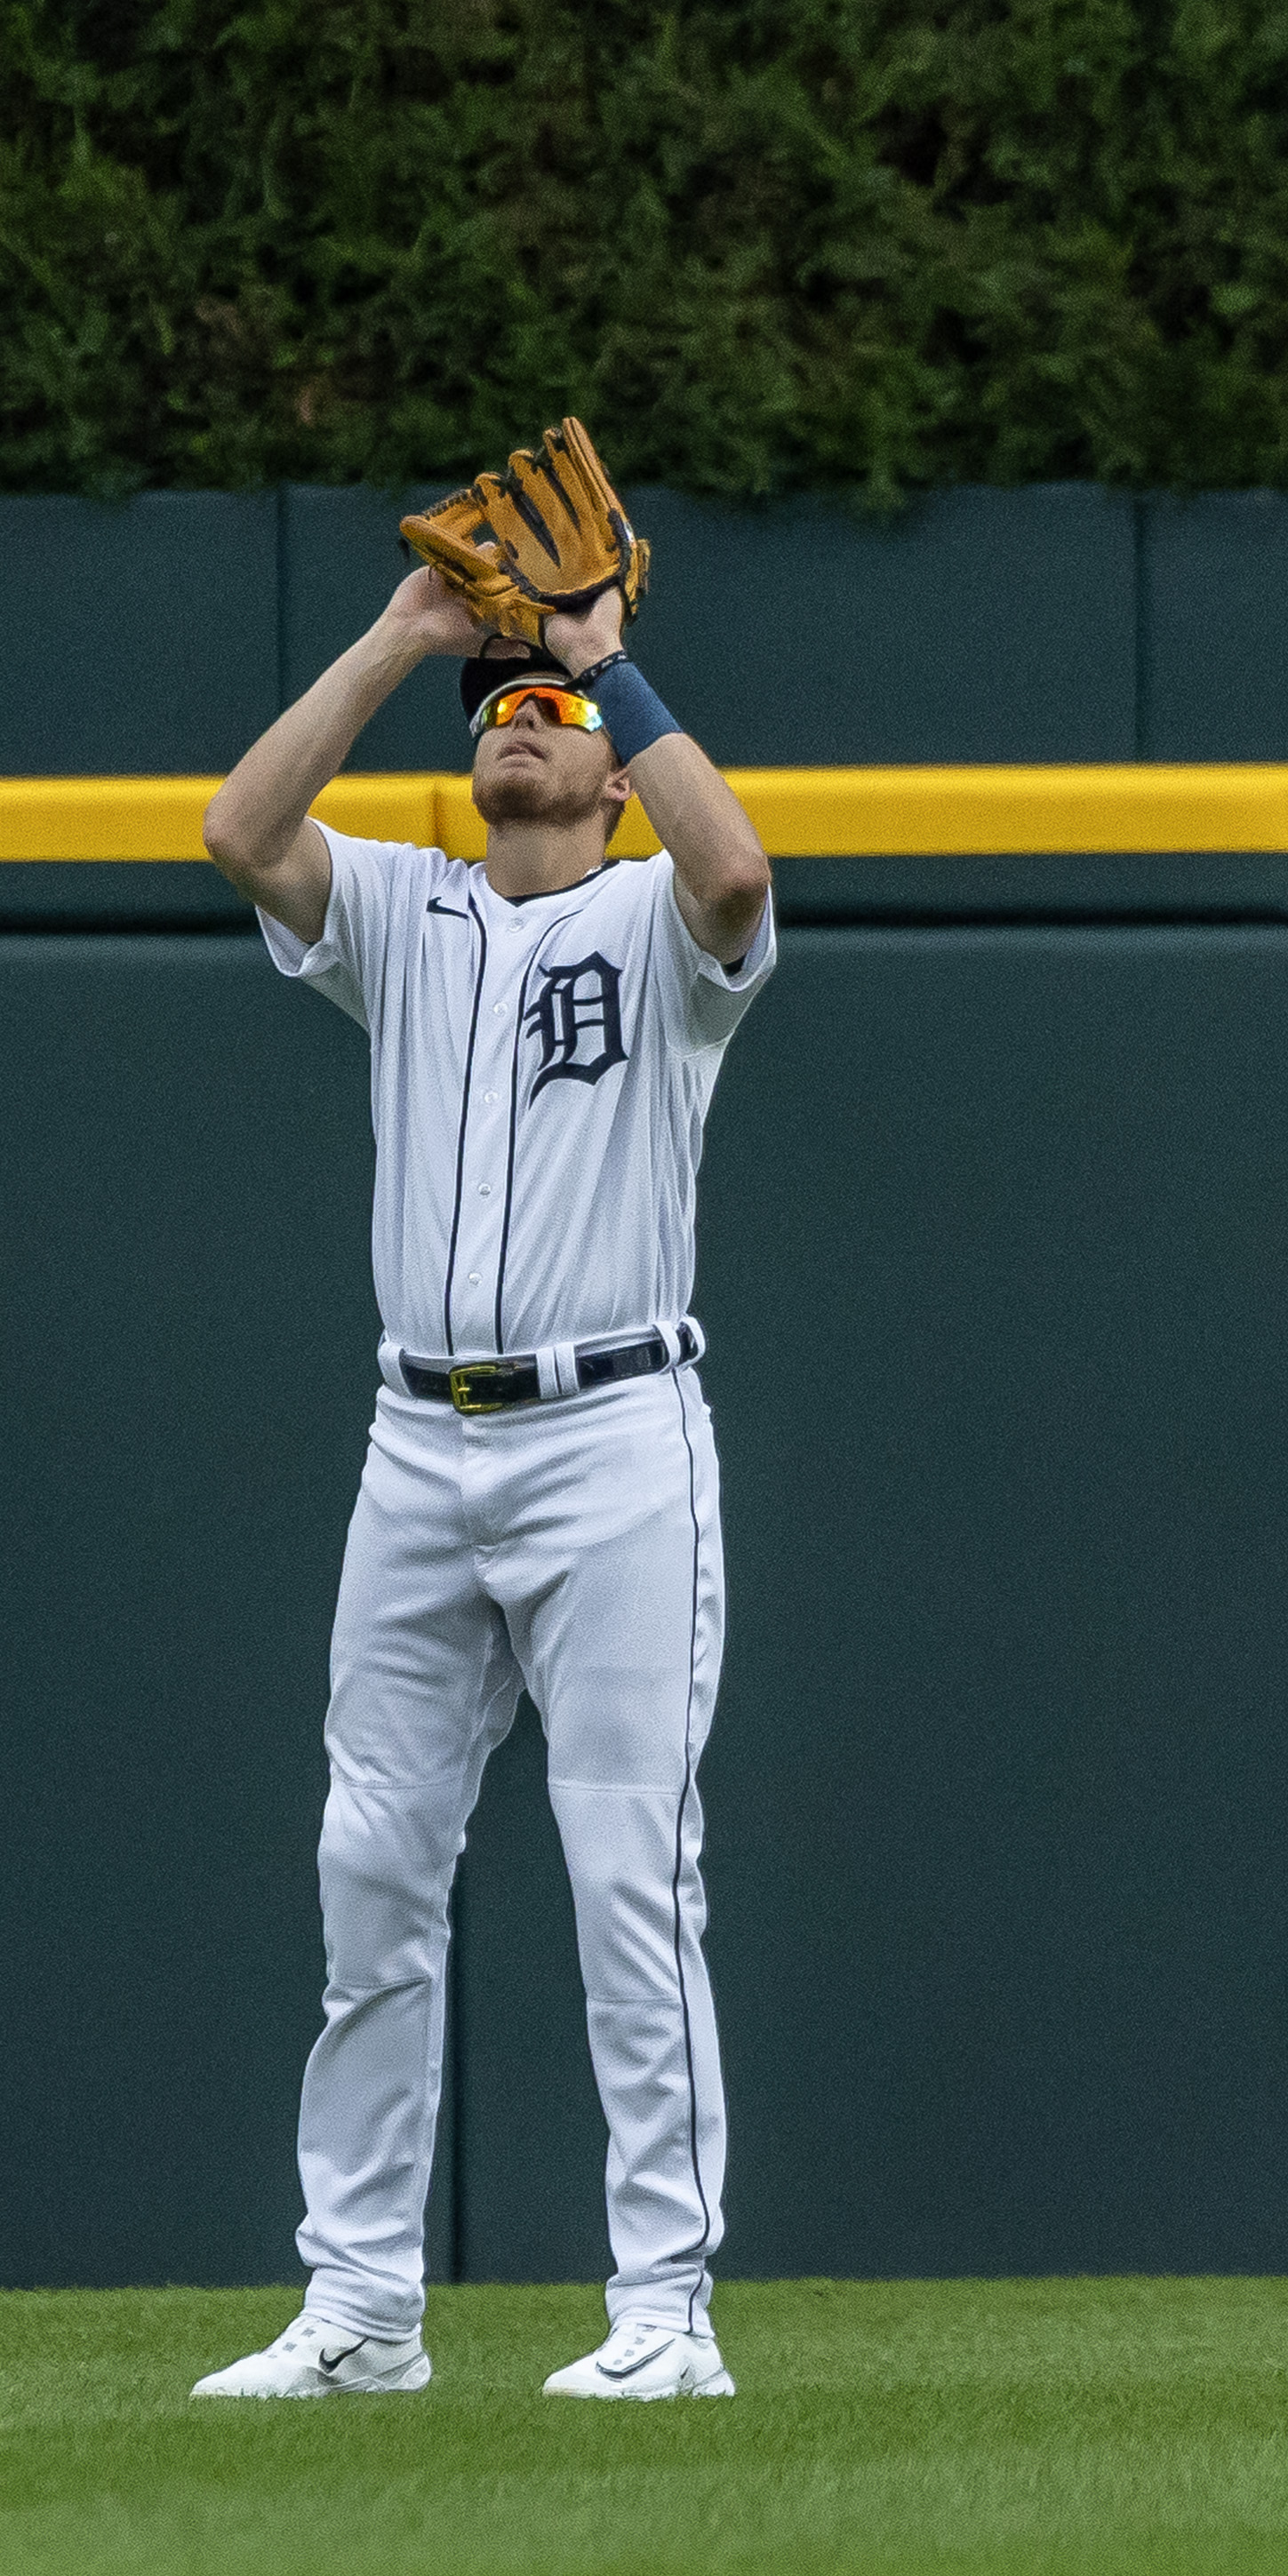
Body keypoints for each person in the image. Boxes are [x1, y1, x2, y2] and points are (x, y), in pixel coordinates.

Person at [194, 556, 775, 2402]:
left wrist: (620, 666)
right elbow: (238, 824)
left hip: (613, 1442)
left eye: (555, 718)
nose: (521, 725)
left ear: (608, 775)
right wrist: (403, 641)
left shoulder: (656, 930)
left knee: (625, 1877)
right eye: (500, 715)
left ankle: (663, 2312)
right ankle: (362, 2309)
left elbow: (741, 873)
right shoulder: (397, 910)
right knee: (372, 1872)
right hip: (418, 1444)